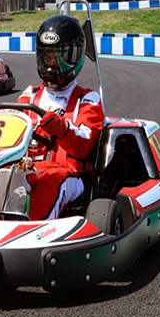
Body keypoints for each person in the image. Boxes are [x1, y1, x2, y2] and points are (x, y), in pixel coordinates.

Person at [11, 14, 104, 221]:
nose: (53, 64)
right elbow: (11, 125)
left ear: (74, 57)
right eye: (48, 57)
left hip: (70, 174)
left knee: (52, 180)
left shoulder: (87, 98)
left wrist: (62, 128)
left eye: (59, 57)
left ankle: (31, 228)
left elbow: (85, 143)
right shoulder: (31, 95)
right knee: (3, 174)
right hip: (28, 167)